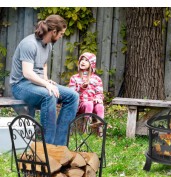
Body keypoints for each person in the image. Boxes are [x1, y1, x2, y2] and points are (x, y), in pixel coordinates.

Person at [9, 15, 79, 146]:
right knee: (49, 95)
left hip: (37, 84)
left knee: (73, 96)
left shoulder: (48, 45)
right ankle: (49, 146)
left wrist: (46, 79)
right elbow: (28, 73)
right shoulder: (29, 44)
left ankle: (60, 145)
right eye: (61, 34)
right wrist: (46, 84)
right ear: (53, 32)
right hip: (21, 85)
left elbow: (44, 64)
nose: (61, 37)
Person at [69, 52, 104, 119]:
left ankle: (100, 126)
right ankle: (86, 125)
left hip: (93, 103)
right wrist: (81, 88)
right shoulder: (74, 78)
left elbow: (99, 93)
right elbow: (71, 94)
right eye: (82, 59)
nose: (83, 62)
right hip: (81, 105)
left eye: (86, 60)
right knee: (89, 104)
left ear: (91, 64)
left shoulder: (96, 79)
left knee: (100, 106)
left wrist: (98, 98)